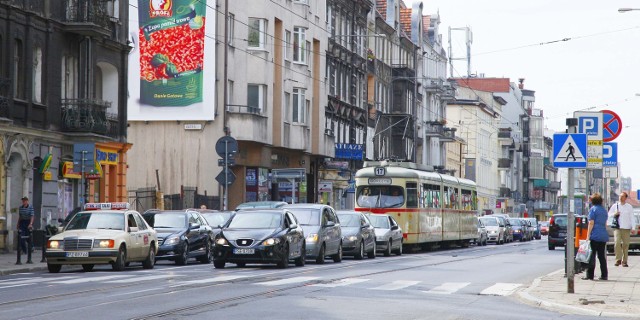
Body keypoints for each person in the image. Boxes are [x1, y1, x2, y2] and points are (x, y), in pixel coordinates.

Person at [584, 193, 609, 280]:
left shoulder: (593, 210)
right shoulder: (604, 210)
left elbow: (591, 223)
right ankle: (604, 275)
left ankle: (590, 275)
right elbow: (605, 223)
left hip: (595, 235)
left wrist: (588, 236)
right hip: (603, 235)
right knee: (602, 256)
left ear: (593, 201)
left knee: (592, 255)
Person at [608, 192, 636, 267]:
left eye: (622, 196)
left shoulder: (629, 207)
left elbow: (632, 217)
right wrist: (614, 214)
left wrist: (633, 228)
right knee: (617, 243)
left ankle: (624, 261)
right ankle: (618, 259)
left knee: (626, 244)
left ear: (626, 198)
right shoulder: (615, 205)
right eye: (620, 196)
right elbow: (609, 214)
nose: (621, 197)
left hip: (626, 228)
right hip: (617, 228)